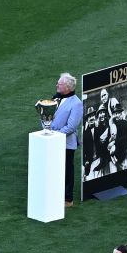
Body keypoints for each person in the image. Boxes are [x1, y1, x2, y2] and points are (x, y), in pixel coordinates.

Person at [41, 73, 83, 206]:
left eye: (59, 83)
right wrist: (45, 126)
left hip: (66, 143)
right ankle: (53, 193)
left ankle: (68, 199)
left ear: (68, 87)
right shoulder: (55, 98)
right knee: (52, 168)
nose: (56, 85)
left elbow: (71, 126)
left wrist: (55, 135)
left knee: (66, 170)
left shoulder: (76, 103)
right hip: (50, 139)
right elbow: (46, 116)